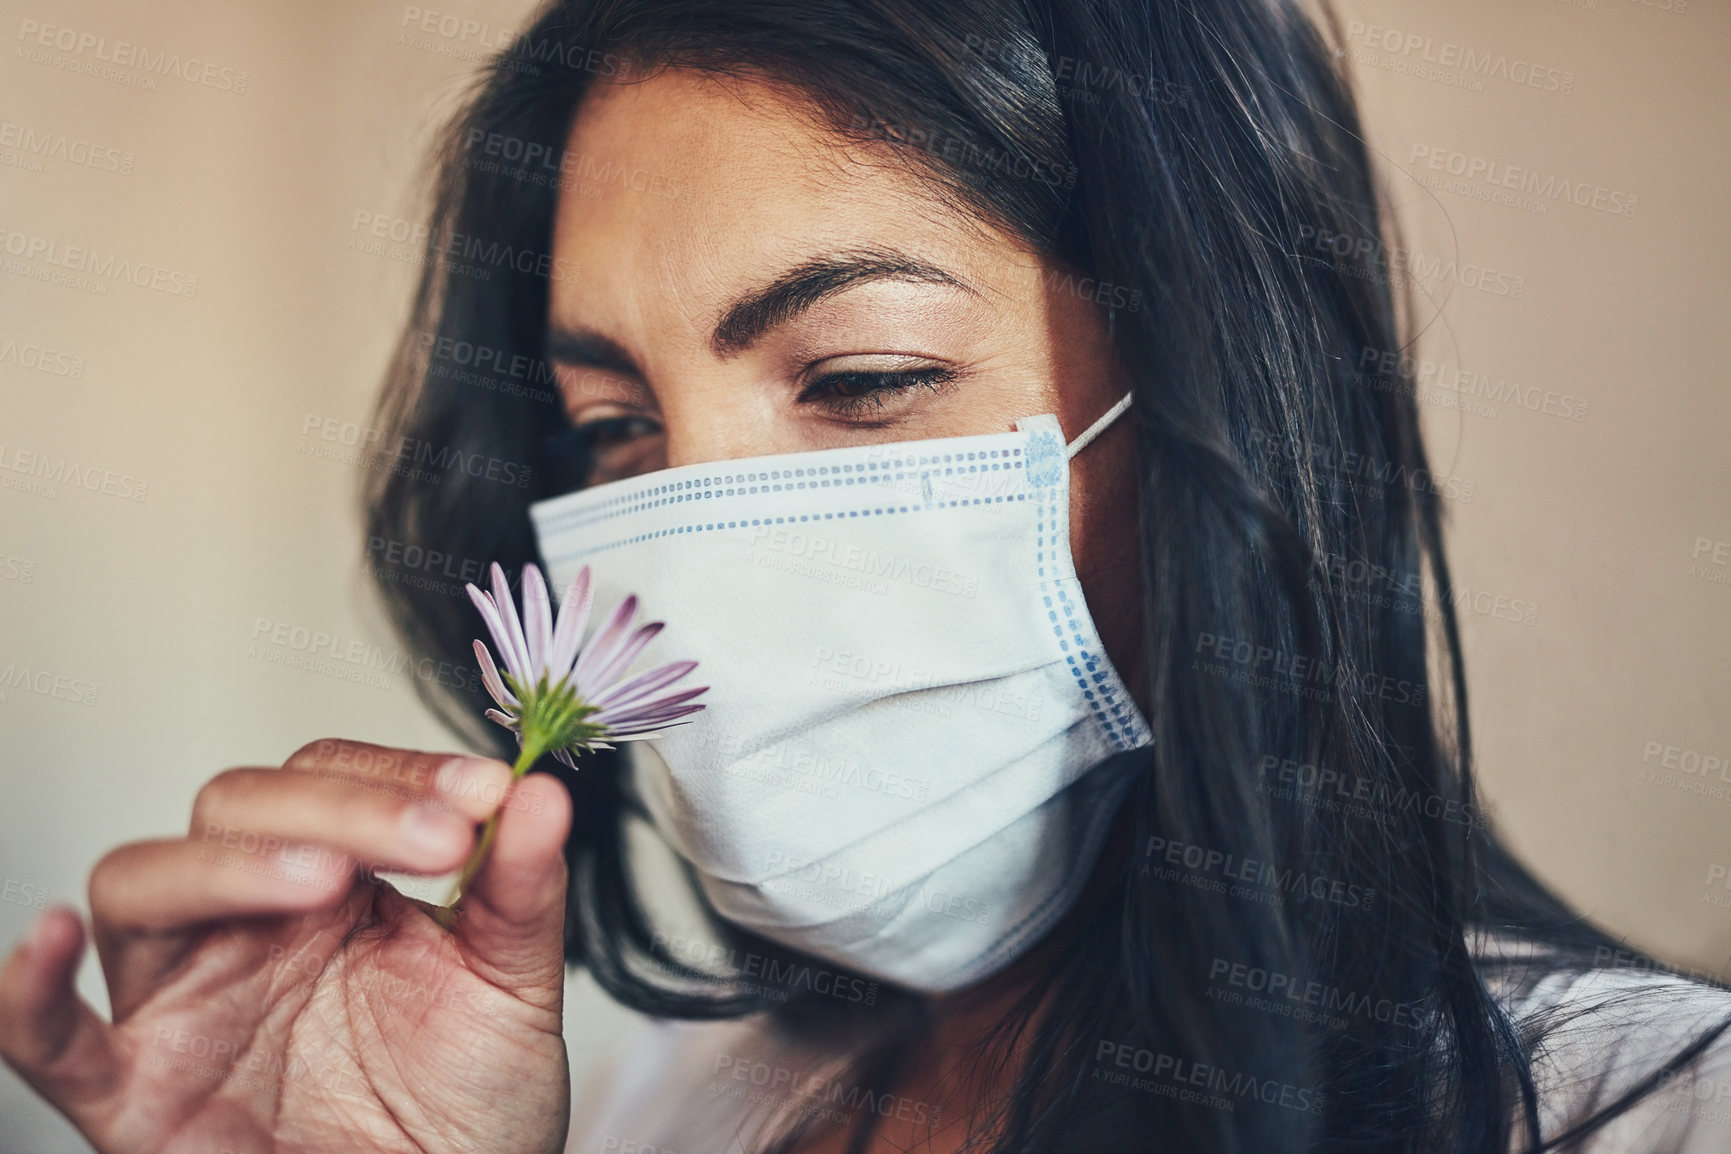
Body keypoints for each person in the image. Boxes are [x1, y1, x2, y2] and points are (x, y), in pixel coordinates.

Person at [4, 1, 1729, 1151]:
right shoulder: (677, 1096)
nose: (695, 548)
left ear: (1222, 409)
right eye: (613, 428)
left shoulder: (1645, 1111)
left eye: (863, 380)